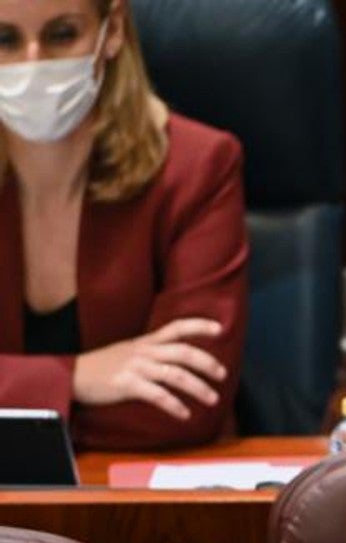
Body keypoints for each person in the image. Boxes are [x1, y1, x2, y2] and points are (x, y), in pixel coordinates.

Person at [0, 0, 247, 450]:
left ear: (111, 30)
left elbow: (185, 402)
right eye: (4, 40)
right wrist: (77, 378)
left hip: (139, 505)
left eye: (60, 35)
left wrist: (22, 400)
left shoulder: (197, 168)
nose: (30, 64)